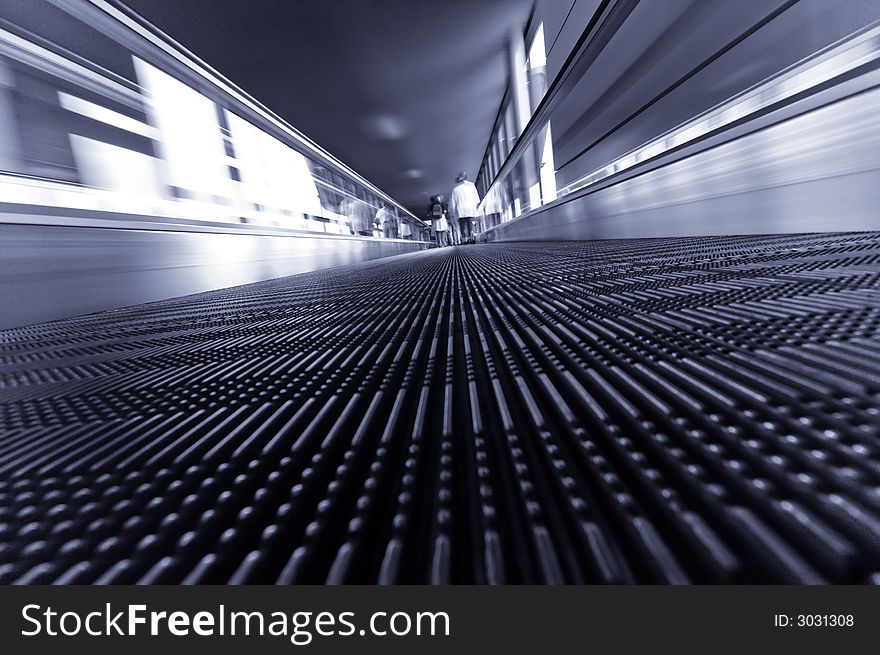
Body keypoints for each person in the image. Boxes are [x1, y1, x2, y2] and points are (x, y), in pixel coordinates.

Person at [449, 171, 481, 244]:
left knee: (462, 225)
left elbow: (453, 203)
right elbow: (476, 198)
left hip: (460, 209)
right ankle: (472, 238)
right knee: (470, 224)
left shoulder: (455, 190)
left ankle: (464, 239)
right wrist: (476, 207)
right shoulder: (471, 186)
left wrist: (453, 213)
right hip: (470, 208)